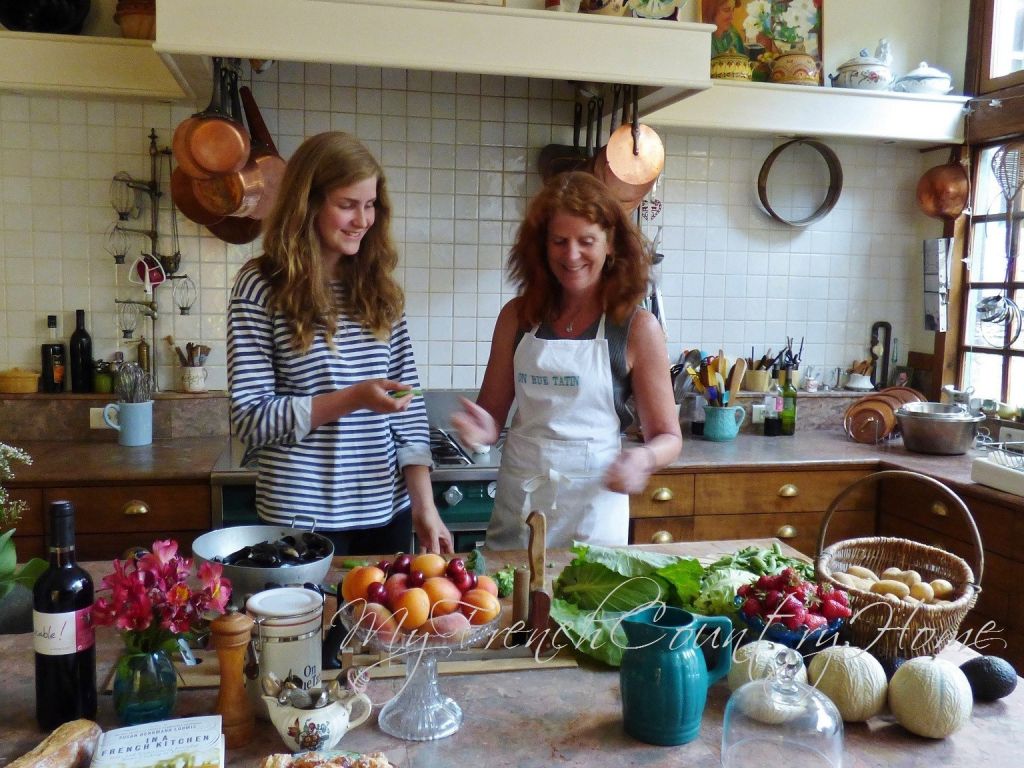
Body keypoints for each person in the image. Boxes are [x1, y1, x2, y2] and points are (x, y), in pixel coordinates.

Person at [227, 131, 452, 556]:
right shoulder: (261, 284)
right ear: (307, 204)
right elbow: (250, 418)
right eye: (347, 205)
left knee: (386, 624)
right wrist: (352, 398)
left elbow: (410, 407)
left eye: (370, 205)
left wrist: (424, 506)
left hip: (387, 513)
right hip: (299, 519)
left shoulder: (380, 289)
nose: (363, 220)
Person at [451, 171, 683, 550]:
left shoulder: (636, 328)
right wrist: (481, 428)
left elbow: (668, 437)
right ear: (542, 246)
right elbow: (491, 416)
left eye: (586, 241)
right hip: (519, 512)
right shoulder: (518, 317)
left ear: (610, 245)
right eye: (559, 241)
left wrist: (642, 459)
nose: (571, 255)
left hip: (593, 514)